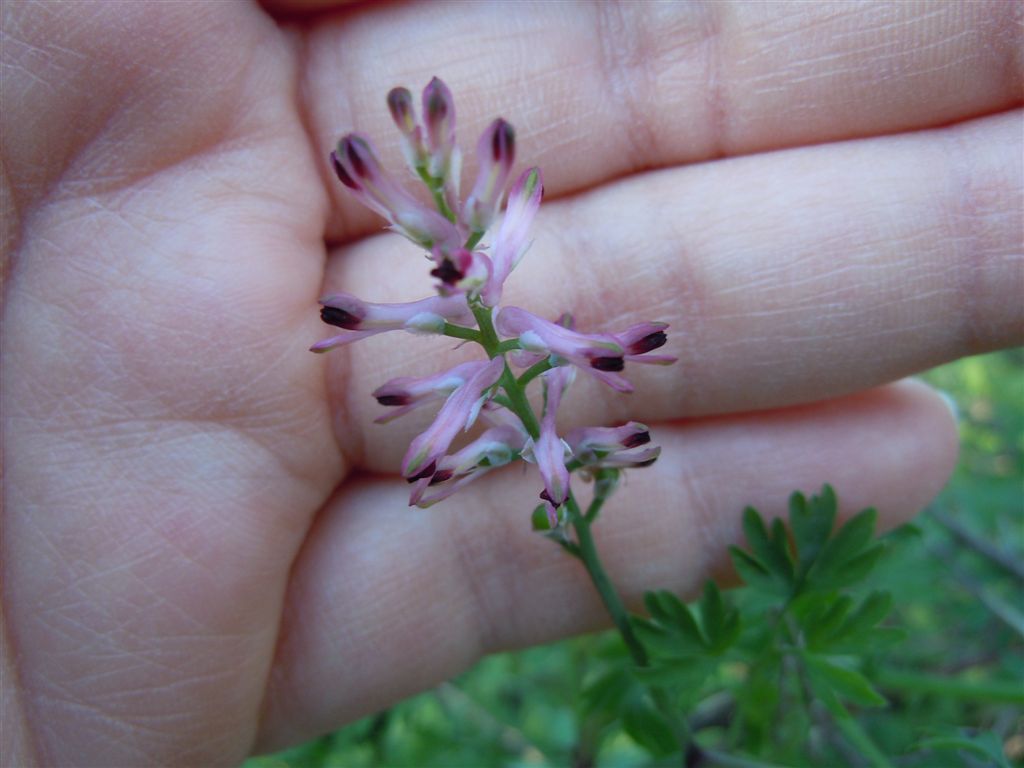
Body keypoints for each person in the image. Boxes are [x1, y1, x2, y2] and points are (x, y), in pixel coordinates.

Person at [2, 1, 1020, 764]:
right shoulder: (443, 301)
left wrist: (569, 370)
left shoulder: (508, 279)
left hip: (538, 384)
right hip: (509, 408)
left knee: (555, 376)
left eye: (454, 271)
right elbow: (458, 348)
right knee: (493, 400)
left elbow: (521, 301)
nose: (450, 281)